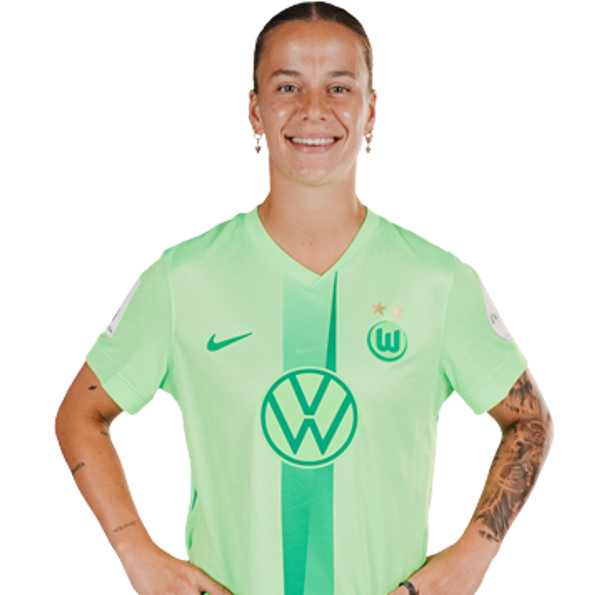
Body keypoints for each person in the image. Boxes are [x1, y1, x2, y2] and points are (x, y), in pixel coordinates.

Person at [53, 2, 555, 594]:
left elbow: (530, 422)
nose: (313, 109)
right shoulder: (183, 278)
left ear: (370, 111)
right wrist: (138, 555)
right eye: (287, 86)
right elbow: (79, 415)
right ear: (255, 110)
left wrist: (471, 558)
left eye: (339, 87)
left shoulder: (437, 281)